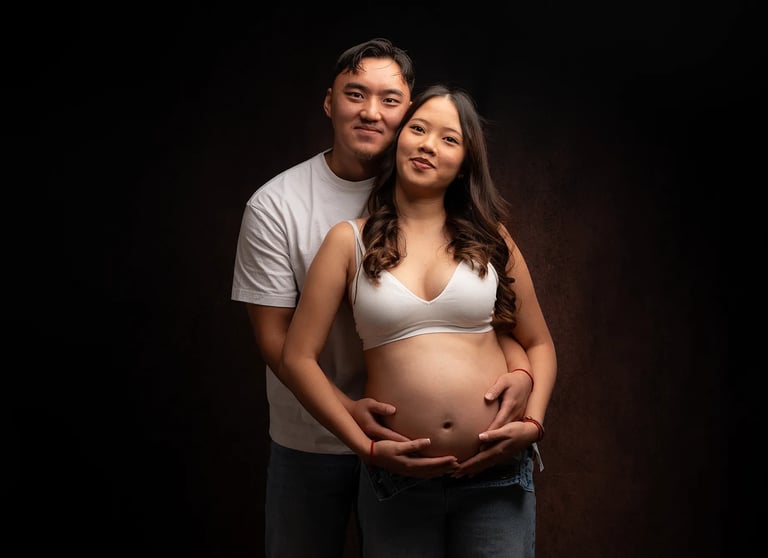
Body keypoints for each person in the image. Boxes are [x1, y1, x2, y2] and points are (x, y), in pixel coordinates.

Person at [232, 38, 535, 557]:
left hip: (432, 448)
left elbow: (491, 321)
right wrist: (355, 425)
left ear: (407, 110)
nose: (372, 112)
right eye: (355, 94)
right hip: (316, 434)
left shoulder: (437, 194)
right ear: (330, 102)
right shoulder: (277, 206)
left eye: (391, 101)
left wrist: (523, 378)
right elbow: (277, 342)